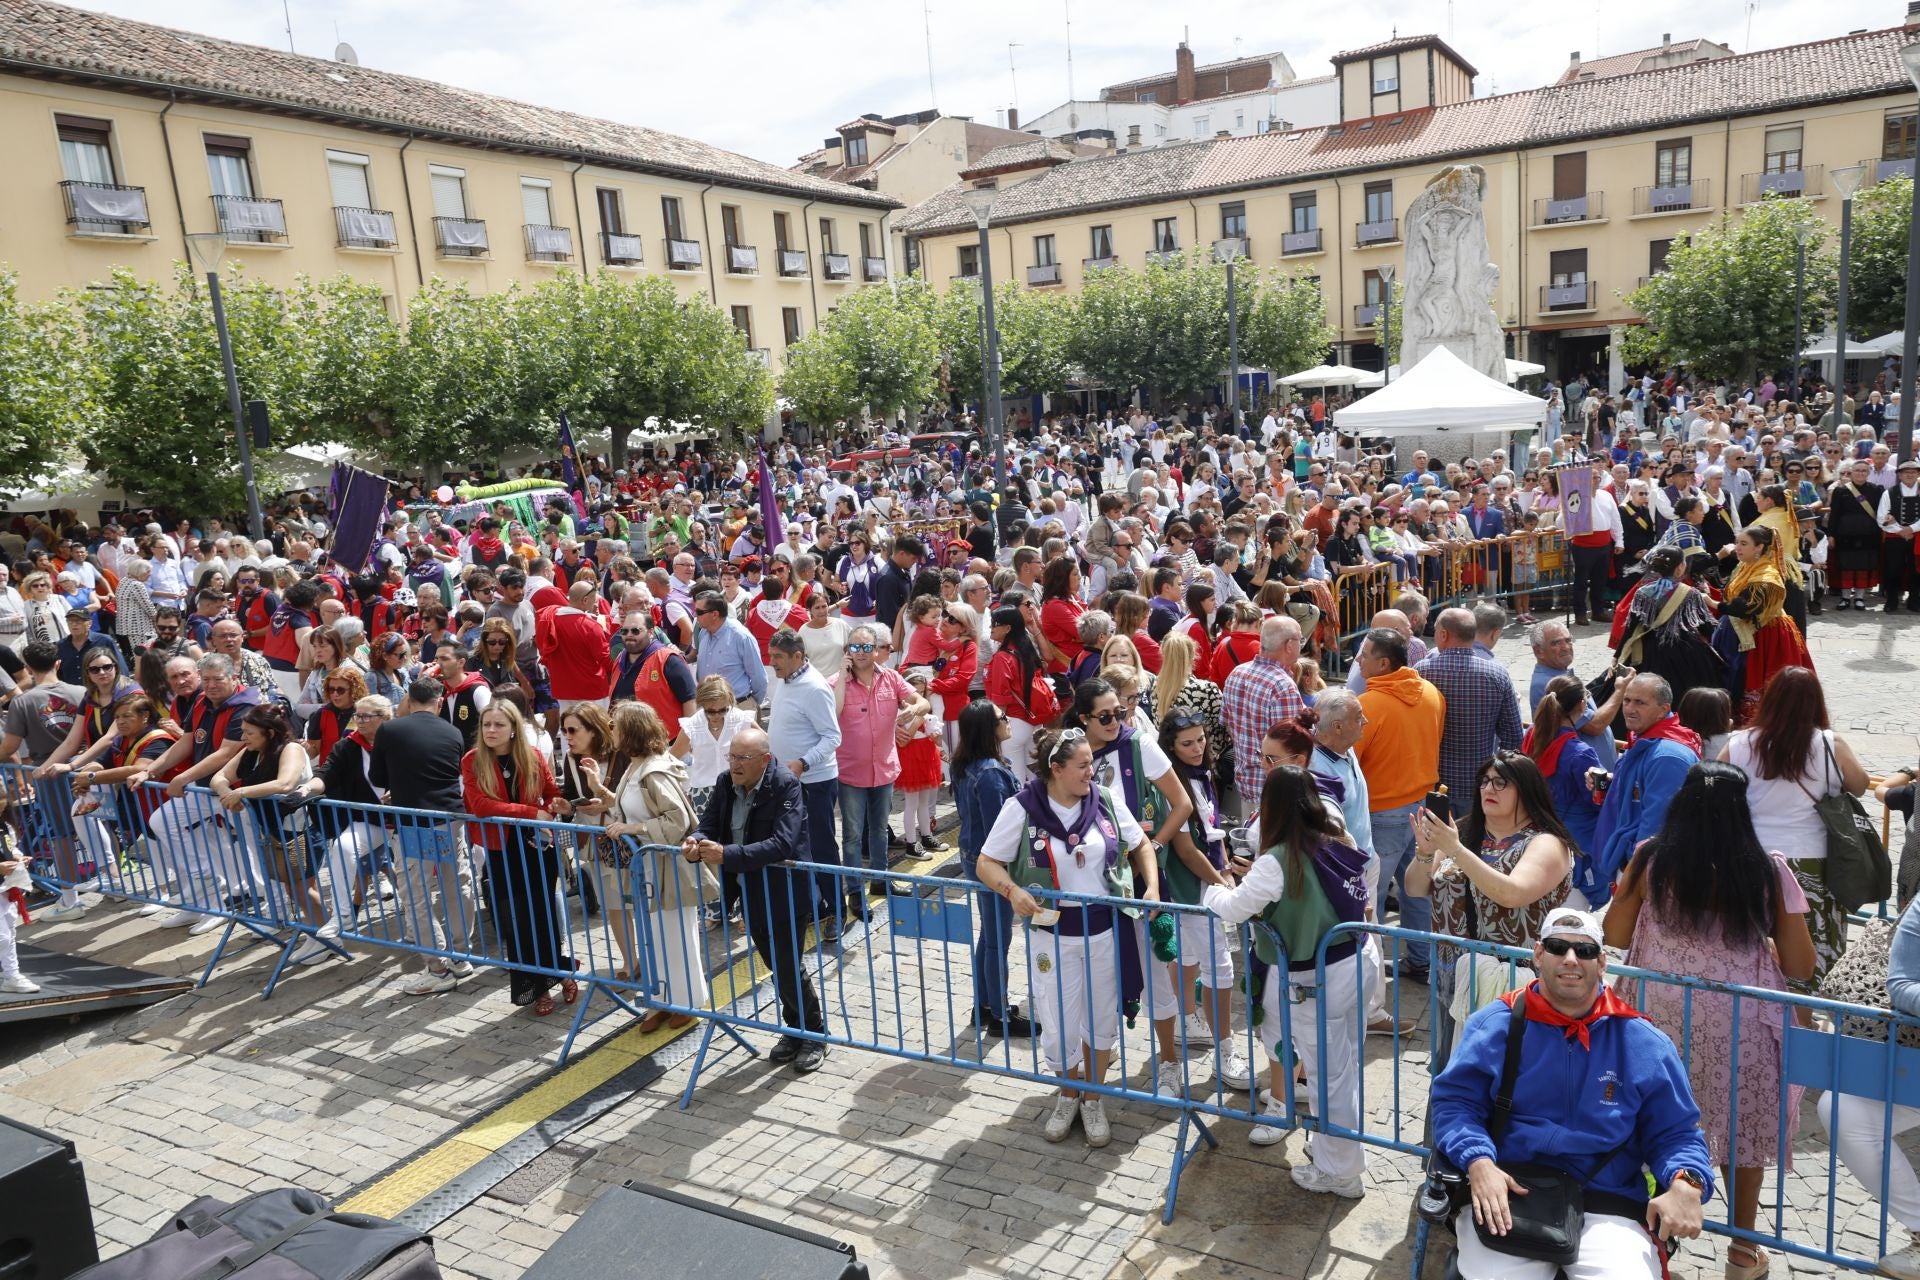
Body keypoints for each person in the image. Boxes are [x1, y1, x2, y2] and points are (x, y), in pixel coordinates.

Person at [1603, 762, 1814, 1280]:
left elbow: (1614, 929)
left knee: (1647, 1116)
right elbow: (1801, 964)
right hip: (1741, 1018)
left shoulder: (1652, 858)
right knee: (1742, 1129)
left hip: (1658, 1012)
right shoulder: (1766, 870)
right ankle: (1743, 1253)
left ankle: (1639, 1227)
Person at [1430, 907, 1711, 1280]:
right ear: (1538, 954)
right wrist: (1479, 1163)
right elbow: (1455, 1104)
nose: (1571, 959)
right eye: (1558, 947)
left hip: (1608, 1200)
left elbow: (1676, 1132)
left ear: (1603, 962)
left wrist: (1687, 1183)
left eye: (1585, 951)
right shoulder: (1494, 1025)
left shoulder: (1645, 1042)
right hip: (1509, 1187)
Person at [972, 727, 1160, 1149]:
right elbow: (987, 862)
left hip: (1105, 931)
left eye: (1091, 764)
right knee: (1058, 1022)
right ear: (1055, 769)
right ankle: (1068, 1094)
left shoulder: (1106, 801)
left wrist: (1151, 888)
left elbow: (1141, 844)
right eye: (1082, 766)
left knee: (1100, 1017)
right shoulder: (1021, 807)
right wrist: (1012, 890)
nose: (1090, 772)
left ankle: (1094, 1098)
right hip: (1051, 935)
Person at [1202, 764, 1371, 1193]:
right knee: (1342, 1067)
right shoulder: (1336, 838)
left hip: (1319, 974)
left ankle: (1340, 1172)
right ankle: (1339, 1151)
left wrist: (1214, 888)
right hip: (1356, 961)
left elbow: (1233, 908)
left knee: (1328, 1073)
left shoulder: (1279, 860)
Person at [1409, 749, 1575, 1068]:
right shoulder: (1465, 831)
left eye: (1501, 783)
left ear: (1526, 790)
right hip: (1452, 976)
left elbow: (1511, 894)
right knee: (1450, 1074)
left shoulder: (1545, 843)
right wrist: (1427, 853)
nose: (1488, 789)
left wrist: (1454, 849)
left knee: (1503, 1079)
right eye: (1484, 781)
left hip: (1513, 985)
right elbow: (1416, 888)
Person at [685, 725, 828, 1073]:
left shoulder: (785, 785)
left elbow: (784, 843)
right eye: (731, 756)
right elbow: (710, 823)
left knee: (787, 963)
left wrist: (727, 854)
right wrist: (696, 840)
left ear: (764, 760)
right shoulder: (725, 783)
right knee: (776, 963)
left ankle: (814, 1033)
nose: (734, 764)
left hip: (785, 889)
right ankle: (795, 1030)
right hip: (750, 887)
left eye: (742, 758)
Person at [1722, 666, 1869, 993]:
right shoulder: (1831, 744)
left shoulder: (1740, 742)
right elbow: (1858, 785)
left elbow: (1713, 782)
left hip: (1753, 858)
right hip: (1812, 861)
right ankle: (1806, 1012)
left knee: (1756, 934)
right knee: (1810, 939)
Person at [126, 653, 264, 933]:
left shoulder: (246, 705)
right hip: (206, 791)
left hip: (241, 791)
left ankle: (280, 913)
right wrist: (149, 770)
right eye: (208, 679)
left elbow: (227, 751)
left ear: (233, 678)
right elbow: (187, 742)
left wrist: (184, 777)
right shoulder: (201, 701)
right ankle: (206, 897)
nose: (212, 685)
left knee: (258, 849)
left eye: (218, 679)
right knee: (163, 821)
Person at [462, 700, 577, 1016]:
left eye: (499, 724)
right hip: (502, 851)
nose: (491, 730)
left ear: (513, 728)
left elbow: (551, 793)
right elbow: (481, 805)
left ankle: (561, 972)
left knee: (544, 916)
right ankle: (537, 987)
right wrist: (530, 812)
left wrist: (558, 805)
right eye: (487, 724)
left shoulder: (534, 755)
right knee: (518, 921)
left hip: (537, 848)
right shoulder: (472, 760)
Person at [599, 701, 706, 1023]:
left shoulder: (653, 770)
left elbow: (679, 821)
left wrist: (636, 828)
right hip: (647, 866)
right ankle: (661, 1000)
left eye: (615, 725)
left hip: (667, 866)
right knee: (655, 936)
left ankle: (686, 1002)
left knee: (675, 934)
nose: (610, 730)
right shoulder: (635, 766)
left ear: (630, 730)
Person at [371, 677, 478, 995]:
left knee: (415, 894)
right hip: (449, 818)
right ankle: (460, 956)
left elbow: (378, 777)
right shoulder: (454, 731)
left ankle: (437, 967)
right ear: (440, 701)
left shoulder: (390, 730)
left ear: (408, 699)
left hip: (415, 820)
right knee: (456, 884)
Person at [1352, 627, 1446, 983]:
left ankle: (1367, 974)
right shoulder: (1431, 693)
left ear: (1384, 662)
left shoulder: (1368, 706)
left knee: (1372, 893)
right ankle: (1421, 961)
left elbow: (1351, 765)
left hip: (1382, 813)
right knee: (1418, 889)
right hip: (1422, 808)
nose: (1357, 660)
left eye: (1364, 655)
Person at [211, 704, 329, 959]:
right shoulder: (251, 752)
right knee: (293, 886)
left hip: (300, 830)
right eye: (242, 732)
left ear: (270, 732)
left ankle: (327, 937)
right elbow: (218, 777)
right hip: (276, 831)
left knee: (301, 887)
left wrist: (240, 792)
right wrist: (227, 794)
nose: (243, 738)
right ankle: (316, 933)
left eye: (249, 733)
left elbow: (285, 784)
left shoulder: (292, 749)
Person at [951, 698, 1034, 1039]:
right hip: (990, 863)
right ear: (990, 728)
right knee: (998, 938)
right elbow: (999, 829)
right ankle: (998, 1014)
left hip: (974, 857)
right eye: (1003, 717)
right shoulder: (990, 774)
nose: (1008, 720)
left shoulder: (968, 765)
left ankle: (984, 1005)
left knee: (990, 934)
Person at [1588, 674, 1699, 909]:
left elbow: (1656, 828)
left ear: (1663, 709)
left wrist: (1633, 873)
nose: (1629, 708)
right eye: (1627, 700)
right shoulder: (1648, 739)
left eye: (1640, 702)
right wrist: (1612, 784)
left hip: (1643, 872)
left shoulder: (1667, 756)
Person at [835, 625, 923, 914]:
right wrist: (842, 678)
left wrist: (913, 711)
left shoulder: (892, 678)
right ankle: (855, 893)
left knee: (880, 832)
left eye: (866, 647)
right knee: (851, 836)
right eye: (855, 647)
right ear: (848, 651)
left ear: (876, 650)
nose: (860, 653)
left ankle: (880, 881)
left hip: (883, 770)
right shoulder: (836, 682)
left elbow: (921, 701)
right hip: (850, 773)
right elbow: (832, 713)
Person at [1416, 609, 1522, 818]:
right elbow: (1514, 738)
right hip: (1478, 785)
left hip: (1432, 784)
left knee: (1435, 846)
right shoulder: (1497, 675)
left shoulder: (1421, 672)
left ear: (1444, 634)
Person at [1611, 547, 1719, 707]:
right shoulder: (1691, 594)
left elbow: (1631, 629)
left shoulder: (1642, 593)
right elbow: (1706, 628)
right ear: (1680, 567)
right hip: (1685, 653)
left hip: (1647, 652)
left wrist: (1617, 656)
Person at [1221, 615, 1305, 813]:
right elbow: (1290, 749)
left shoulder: (1237, 672)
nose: (1302, 645)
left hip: (1246, 783)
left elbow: (1227, 724)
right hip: (1275, 793)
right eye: (1300, 640)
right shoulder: (1282, 686)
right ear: (1289, 646)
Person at [1522, 674, 1602, 861]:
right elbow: (1597, 800)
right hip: (1577, 841)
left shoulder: (1532, 733)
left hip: (1537, 830)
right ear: (1582, 705)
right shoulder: (1581, 754)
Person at [983, 605, 1059, 785]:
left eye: (995, 624)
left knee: (1014, 780)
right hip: (1033, 722)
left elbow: (1001, 697)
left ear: (1008, 628)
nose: (991, 627)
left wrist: (994, 728)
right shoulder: (1025, 649)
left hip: (1012, 723)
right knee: (1035, 778)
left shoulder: (1003, 657)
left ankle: (1020, 813)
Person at [535, 580, 612, 713]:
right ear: (585, 600)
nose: (596, 604)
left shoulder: (550, 620)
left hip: (563, 689)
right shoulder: (591, 626)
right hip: (592, 690)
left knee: (569, 730)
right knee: (599, 729)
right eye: (595, 600)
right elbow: (606, 660)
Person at [692, 591, 767, 712]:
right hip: (707, 710)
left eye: (699, 612)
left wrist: (750, 704)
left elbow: (759, 677)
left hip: (736, 707)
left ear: (715, 614)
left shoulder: (740, 636)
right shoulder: (703, 634)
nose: (695, 615)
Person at [1827, 457, 1884, 610]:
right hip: (1844, 535)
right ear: (1851, 472)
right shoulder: (1841, 491)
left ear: (1869, 473)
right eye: (1857, 470)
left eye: (1864, 471)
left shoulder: (1877, 489)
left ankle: (1860, 598)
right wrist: (1830, 534)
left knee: (1864, 567)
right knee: (1846, 567)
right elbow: (1834, 514)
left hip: (1869, 535)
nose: (1860, 473)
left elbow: (1882, 512)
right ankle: (1845, 598)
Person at [1879, 457, 1920, 612]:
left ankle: (1914, 599)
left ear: (1918, 474)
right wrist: (1900, 531)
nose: (1910, 474)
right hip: (1894, 538)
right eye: (1906, 472)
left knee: (1916, 570)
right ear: (1900, 475)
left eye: (1913, 471)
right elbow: (1882, 517)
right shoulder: (1889, 493)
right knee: (1892, 569)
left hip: (1918, 537)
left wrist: (1911, 529)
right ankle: (1891, 600)